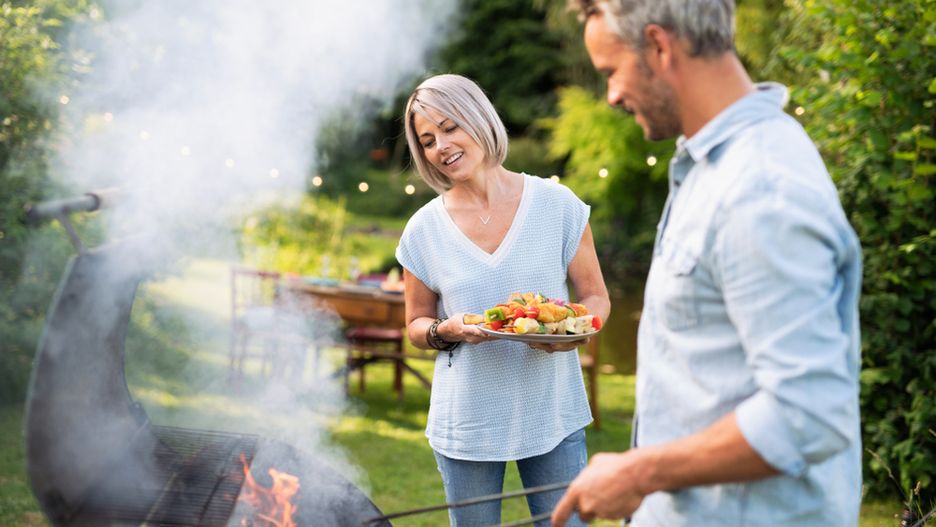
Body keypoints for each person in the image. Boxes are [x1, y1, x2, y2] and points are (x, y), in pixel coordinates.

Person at [551, 1, 863, 526]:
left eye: (611, 72)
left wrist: (639, 473)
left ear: (659, 46)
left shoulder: (759, 188)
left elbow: (809, 412)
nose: (612, 95)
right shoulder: (713, 167)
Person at [395, 73, 610, 527]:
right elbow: (415, 325)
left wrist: (577, 331)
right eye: (428, 139)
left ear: (479, 119)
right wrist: (444, 331)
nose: (441, 146)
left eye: (451, 127)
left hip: (552, 411)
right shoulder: (423, 229)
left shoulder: (558, 205)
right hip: (467, 422)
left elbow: (594, 297)